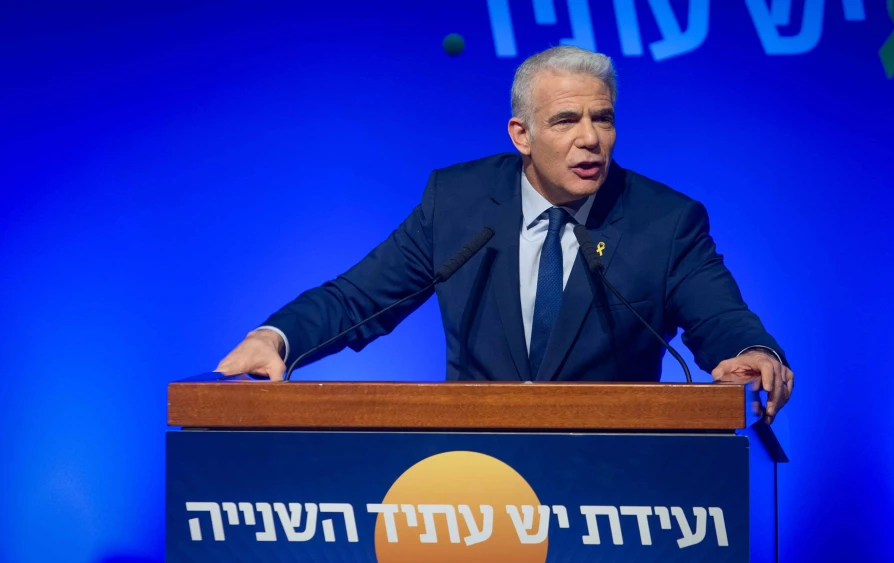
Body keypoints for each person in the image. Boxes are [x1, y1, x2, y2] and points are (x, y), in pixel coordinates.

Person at [216, 46, 794, 422]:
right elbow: (361, 298)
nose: (591, 138)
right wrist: (278, 337)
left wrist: (752, 354)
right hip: (474, 474)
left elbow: (719, 315)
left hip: (611, 480)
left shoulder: (664, 221)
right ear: (522, 134)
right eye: (567, 120)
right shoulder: (459, 203)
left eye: (604, 118)